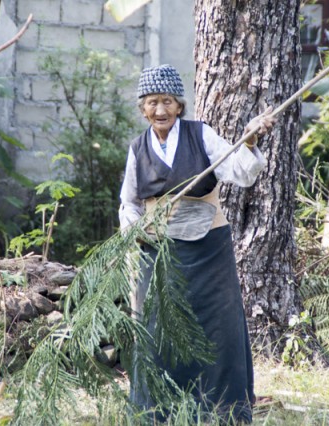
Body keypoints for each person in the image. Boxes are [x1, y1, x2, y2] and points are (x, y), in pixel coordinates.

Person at [119, 64, 275, 423]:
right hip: (157, 252)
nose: (161, 110)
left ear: (180, 106)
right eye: (153, 102)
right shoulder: (137, 149)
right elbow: (128, 203)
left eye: (168, 102)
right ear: (143, 108)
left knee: (219, 327)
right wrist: (136, 230)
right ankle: (159, 409)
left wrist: (249, 141)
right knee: (157, 327)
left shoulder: (200, 135)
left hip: (208, 249)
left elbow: (241, 171)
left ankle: (221, 410)